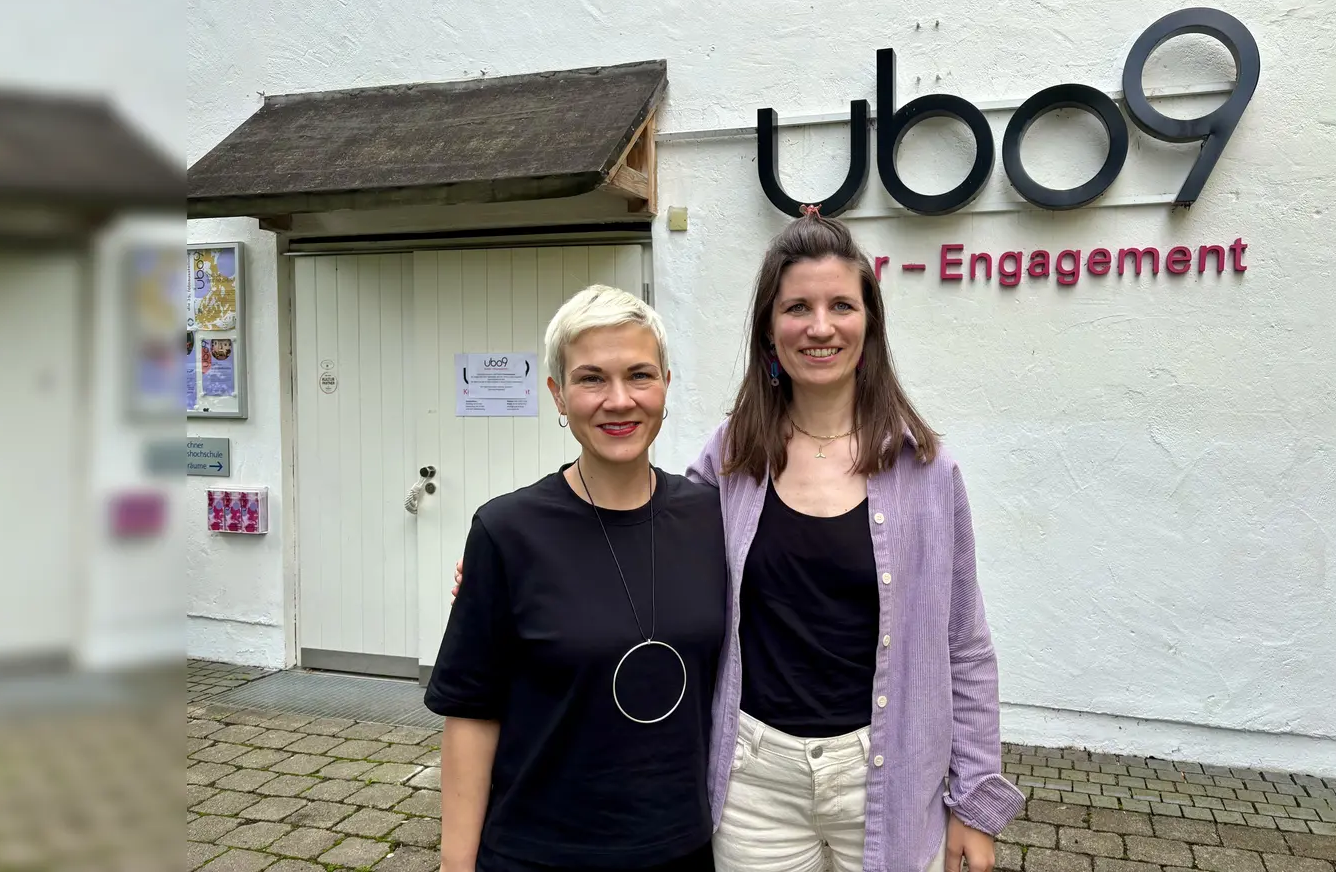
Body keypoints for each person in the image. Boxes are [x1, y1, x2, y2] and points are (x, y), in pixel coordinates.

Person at [454, 211, 1022, 872]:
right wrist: (504, 568)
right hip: (756, 782)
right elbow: (643, 534)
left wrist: (974, 806)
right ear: (768, 330)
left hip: (889, 777)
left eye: (841, 304)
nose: (819, 326)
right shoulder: (730, 460)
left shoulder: (925, 470)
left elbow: (967, 646)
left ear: (869, 324)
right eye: (796, 307)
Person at [426, 284, 728, 872]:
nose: (619, 400)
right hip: (540, 850)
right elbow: (471, 711)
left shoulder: (711, 520)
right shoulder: (507, 531)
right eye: (591, 379)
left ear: (667, 384)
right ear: (558, 395)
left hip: (685, 847)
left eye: (640, 375)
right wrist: (455, 864)